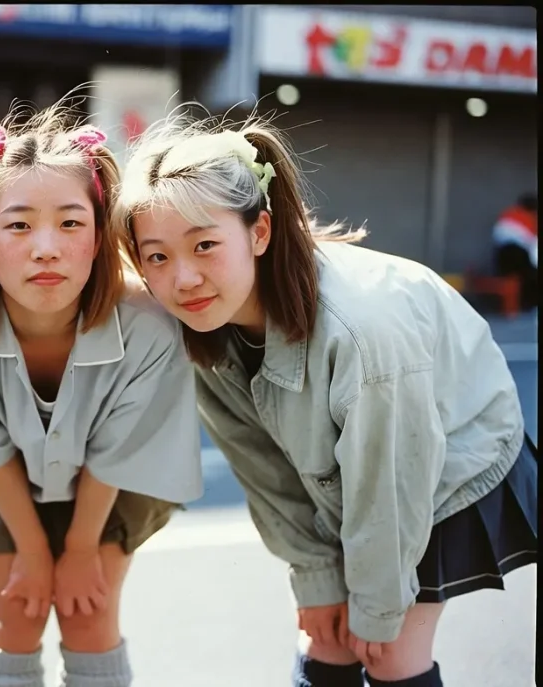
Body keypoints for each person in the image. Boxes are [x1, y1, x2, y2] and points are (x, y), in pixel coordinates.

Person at [114, 112, 537, 687]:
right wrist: (316, 582)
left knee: (387, 653)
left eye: (205, 245)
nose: (183, 278)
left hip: (448, 459)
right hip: (358, 481)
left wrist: (376, 607)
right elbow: (264, 469)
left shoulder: (360, 332)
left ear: (259, 232)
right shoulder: (201, 324)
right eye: (157, 257)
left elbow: (391, 480)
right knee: (326, 637)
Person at [0, 106, 203, 687]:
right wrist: (33, 550)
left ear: (99, 234)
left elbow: (119, 449)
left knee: (90, 619)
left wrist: (80, 549)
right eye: (18, 226)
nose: (47, 248)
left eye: (71, 223)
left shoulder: (149, 327)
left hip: (114, 479)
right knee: (15, 617)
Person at [492, 193, 538, 310]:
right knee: (531, 277)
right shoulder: (529, 219)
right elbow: (532, 245)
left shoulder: (507, 214)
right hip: (518, 254)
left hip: (501, 255)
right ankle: (529, 305)